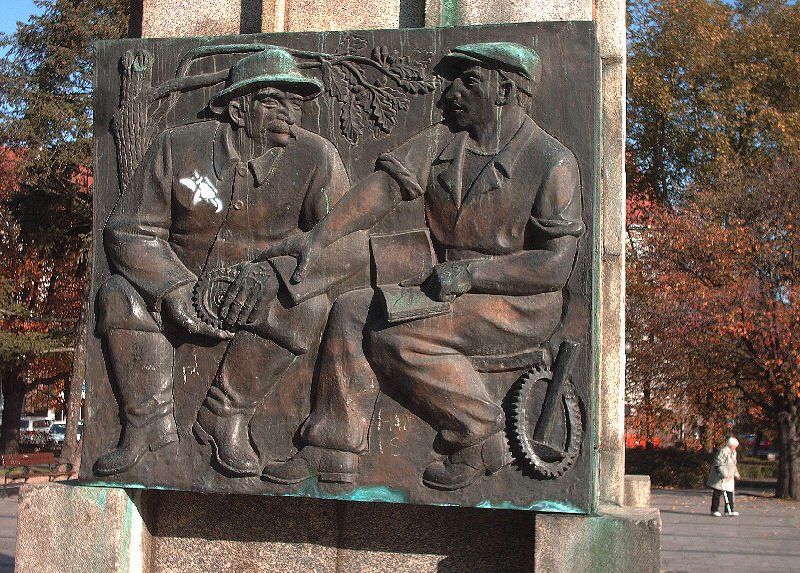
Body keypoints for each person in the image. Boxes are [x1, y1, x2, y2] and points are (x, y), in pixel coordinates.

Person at [261, 42, 584, 490]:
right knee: (353, 310)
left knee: (395, 335)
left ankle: (482, 435)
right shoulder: (444, 140)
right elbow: (381, 191)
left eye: (469, 80)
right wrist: (319, 238)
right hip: (444, 286)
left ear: (505, 91)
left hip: (518, 301)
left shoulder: (553, 162)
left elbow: (555, 265)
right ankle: (330, 452)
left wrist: (475, 274)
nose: (450, 92)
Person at [94, 47, 356, 477]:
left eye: (298, 102)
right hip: (176, 292)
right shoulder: (176, 147)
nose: (293, 113)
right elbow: (129, 230)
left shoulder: (317, 157)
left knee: (310, 305)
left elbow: (343, 243)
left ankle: (224, 417)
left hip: (259, 298)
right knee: (118, 294)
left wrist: (273, 276)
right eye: (275, 100)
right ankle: (147, 427)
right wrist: (173, 287)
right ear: (238, 108)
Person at [707, 436, 741, 516]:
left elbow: (733, 465)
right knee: (717, 493)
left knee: (730, 493)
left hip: (729, 477)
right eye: (735, 446)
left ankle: (729, 510)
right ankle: (714, 510)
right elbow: (719, 463)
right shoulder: (723, 451)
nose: (735, 448)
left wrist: (736, 474)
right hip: (720, 476)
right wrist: (723, 473)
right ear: (731, 445)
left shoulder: (734, 453)